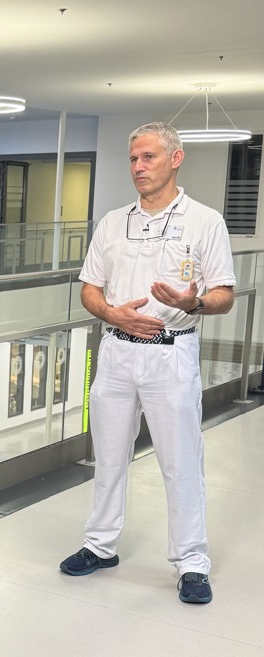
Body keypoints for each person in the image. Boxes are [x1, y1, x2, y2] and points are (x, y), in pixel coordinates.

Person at [59, 122, 236, 605]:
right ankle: (100, 545)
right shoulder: (113, 222)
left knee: (181, 462)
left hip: (171, 353)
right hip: (115, 353)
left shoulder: (205, 221)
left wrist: (192, 301)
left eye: (149, 158)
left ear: (175, 159)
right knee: (108, 456)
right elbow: (89, 288)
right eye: (133, 159)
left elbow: (224, 295)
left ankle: (192, 562)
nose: (138, 167)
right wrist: (111, 312)